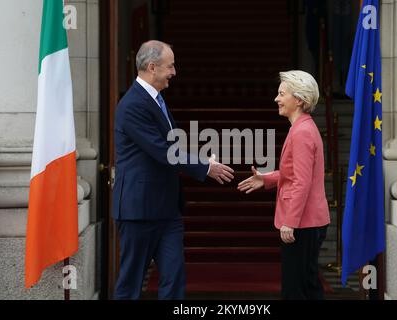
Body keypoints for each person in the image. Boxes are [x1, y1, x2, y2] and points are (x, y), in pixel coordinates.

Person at [112, 40, 234, 300]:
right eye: (170, 66)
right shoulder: (132, 104)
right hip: (139, 211)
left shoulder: (156, 99)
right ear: (152, 67)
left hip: (167, 211)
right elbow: (162, 150)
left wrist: (202, 161)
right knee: (131, 284)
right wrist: (205, 167)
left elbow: (170, 147)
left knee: (174, 280)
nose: (174, 72)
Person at [238, 70, 330, 299]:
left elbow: (301, 181)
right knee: (308, 286)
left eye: (281, 94)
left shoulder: (302, 132)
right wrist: (266, 179)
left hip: (302, 223)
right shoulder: (303, 128)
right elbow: (297, 174)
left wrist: (290, 221)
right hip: (309, 221)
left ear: (298, 99)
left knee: (295, 290)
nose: (276, 99)